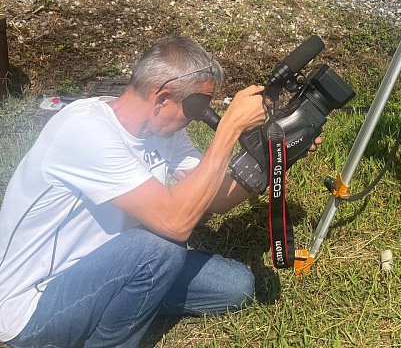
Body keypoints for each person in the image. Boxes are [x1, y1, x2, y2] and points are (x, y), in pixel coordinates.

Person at [0, 36, 320, 347]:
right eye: (197, 107)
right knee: (162, 247)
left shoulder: (162, 131)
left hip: (114, 267)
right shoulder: (84, 130)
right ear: (163, 98)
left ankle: (122, 304)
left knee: (235, 286)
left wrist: (277, 156)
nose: (201, 116)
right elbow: (175, 223)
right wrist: (229, 129)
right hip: (33, 306)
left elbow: (218, 197)